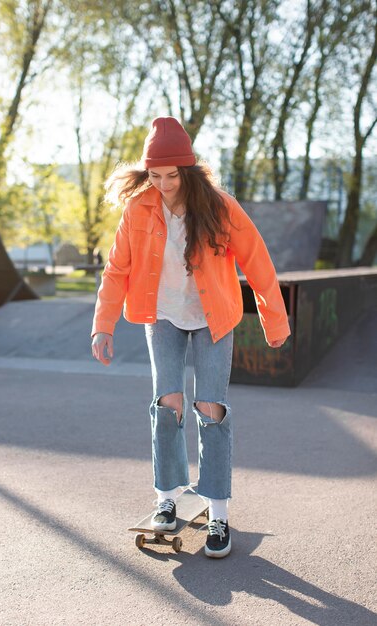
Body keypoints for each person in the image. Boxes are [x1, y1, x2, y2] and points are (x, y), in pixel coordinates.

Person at [91, 117, 290, 558]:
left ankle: (217, 510)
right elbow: (117, 269)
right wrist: (103, 324)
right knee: (168, 404)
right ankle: (167, 498)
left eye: (171, 175)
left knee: (211, 408)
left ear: (189, 169)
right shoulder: (138, 208)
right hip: (160, 316)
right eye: (155, 175)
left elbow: (257, 261)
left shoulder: (219, 206)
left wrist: (274, 321)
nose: (162, 184)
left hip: (212, 317)